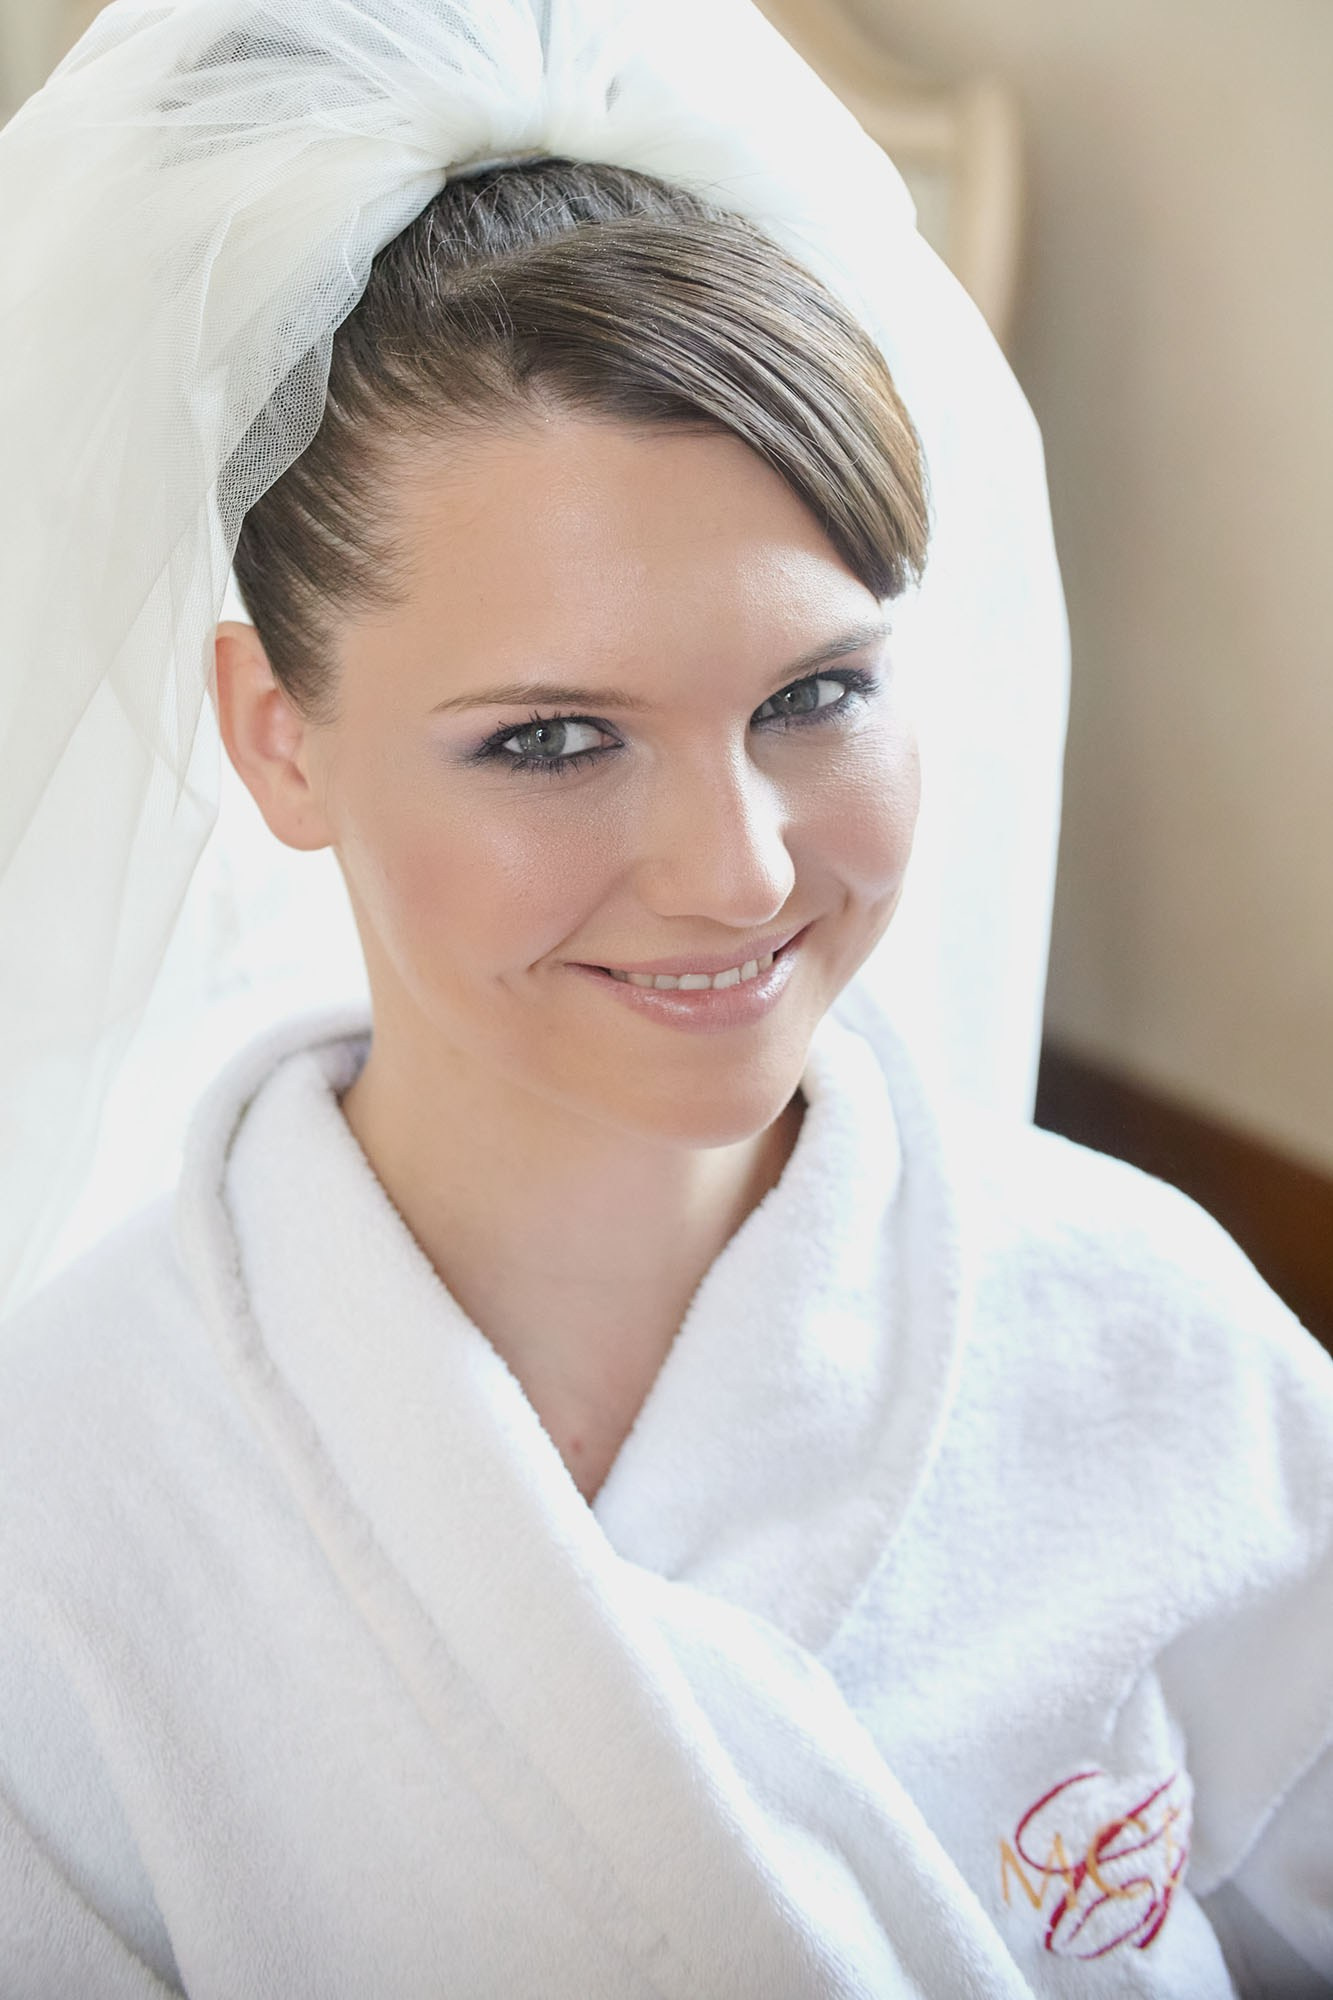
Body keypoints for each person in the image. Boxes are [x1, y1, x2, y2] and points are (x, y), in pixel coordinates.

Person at [0, 6, 1330, 1998]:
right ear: (278, 740)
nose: (742, 871)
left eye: (815, 695)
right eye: (549, 738)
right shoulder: (67, 1501)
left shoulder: (1161, 1339)